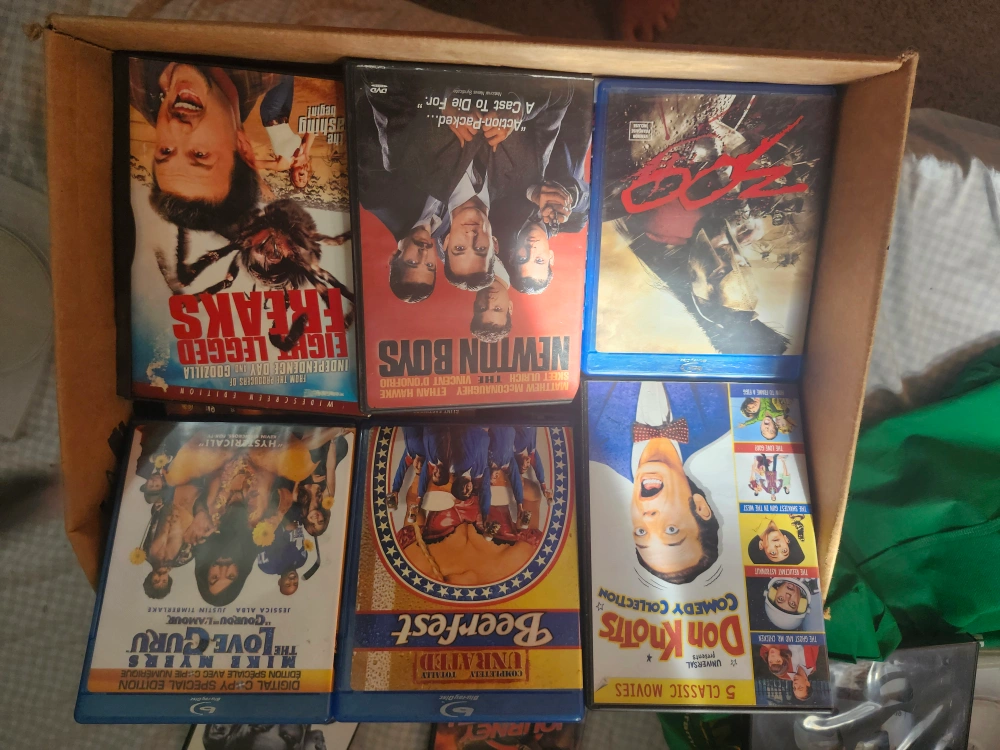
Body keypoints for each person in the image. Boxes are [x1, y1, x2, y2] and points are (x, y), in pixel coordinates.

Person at [588, 381, 729, 585]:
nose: (647, 518)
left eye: (641, 532)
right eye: (671, 530)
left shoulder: (591, 440)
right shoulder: (720, 417)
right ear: (700, 508)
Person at [128, 59, 279, 236]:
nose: (176, 125)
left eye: (166, 151)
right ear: (243, 148)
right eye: (200, 154)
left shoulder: (130, 78)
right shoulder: (269, 68)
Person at [254, 76, 315, 190]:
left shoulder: (283, 165)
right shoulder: (304, 155)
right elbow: (312, 130)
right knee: (289, 76)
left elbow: (257, 164)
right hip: (284, 113)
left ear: (292, 176)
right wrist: (306, 153)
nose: (301, 179)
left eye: (297, 181)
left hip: (270, 114)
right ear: (307, 175)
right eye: (304, 180)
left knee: (283, 77)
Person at [450, 426, 493, 533]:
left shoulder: (458, 465)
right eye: (469, 492)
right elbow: (486, 489)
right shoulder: (478, 473)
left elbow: (461, 435)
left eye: (463, 490)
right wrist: (485, 514)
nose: (468, 489)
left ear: (457, 484)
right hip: (486, 428)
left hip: (474, 424)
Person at [488, 425, 529, 529]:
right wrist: (519, 505)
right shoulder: (508, 463)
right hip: (510, 422)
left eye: (491, 480)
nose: (495, 478)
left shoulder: (487, 460)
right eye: (495, 480)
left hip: (496, 421)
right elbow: (516, 482)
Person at [471, 257, 513, 342]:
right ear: (510, 307)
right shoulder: (518, 267)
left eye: (482, 308)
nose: (490, 300)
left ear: (475, 306)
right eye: (497, 308)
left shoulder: (457, 267)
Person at [507, 220, 554, 294]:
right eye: (539, 260)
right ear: (551, 256)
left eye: (522, 259)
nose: (532, 250)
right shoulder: (568, 221)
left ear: (512, 254)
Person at [389, 426, 425, 510]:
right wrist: (420, 496)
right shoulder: (424, 450)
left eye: (416, 468)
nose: (418, 465)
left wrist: (395, 490)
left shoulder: (410, 455)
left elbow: (401, 470)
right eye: (421, 466)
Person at [514, 427, 553, 500]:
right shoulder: (530, 451)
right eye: (527, 467)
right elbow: (537, 465)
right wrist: (543, 487)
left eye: (524, 467)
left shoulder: (518, 445)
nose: (528, 465)